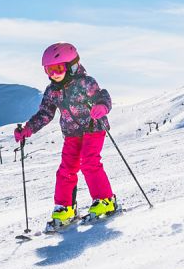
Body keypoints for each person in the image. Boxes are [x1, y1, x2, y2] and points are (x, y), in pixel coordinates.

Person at [14, 42, 116, 227]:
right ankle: (65, 207)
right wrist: (28, 129)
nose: (54, 74)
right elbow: (45, 113)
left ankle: (105, 201)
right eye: (49, 70)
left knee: (89, 162)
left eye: (58, 68)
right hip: (71, 134)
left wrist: (102, 106)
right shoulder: (52, 91)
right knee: (66, 169)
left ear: (72, 65)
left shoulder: (86, 82)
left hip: (93, 127)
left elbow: (103, 96)